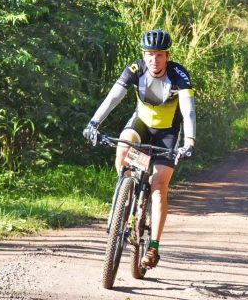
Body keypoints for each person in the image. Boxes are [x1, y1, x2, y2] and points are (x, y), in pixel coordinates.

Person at [83, 29, 196, 268]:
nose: (154, 60)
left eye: (159, 55)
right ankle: (125, 194)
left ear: (167, 56)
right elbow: (113, 97)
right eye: (149, 54)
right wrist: (94, 123)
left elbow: (188, 110)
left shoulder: (179, 75)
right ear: (143, 55)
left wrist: (190, 141)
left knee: (158, 187)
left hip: (168, 133)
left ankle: (153, 246)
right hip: (141, 124)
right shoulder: (135, 70)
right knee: (123, 150)